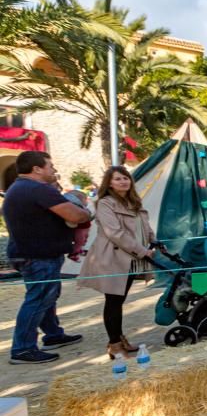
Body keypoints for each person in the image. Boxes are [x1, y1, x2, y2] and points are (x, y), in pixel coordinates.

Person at [3, 151, 89, 364]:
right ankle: (22, 348)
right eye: (50, 166)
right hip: (38, 255)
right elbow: (75, 215)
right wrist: (87, 214)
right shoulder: (37, 189)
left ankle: (53, 334)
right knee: (39, 299)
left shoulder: (19, 188)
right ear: (37, 169)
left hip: (32, 253)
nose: (54, 170)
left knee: (47, 297)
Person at [77, 166, 156, 359]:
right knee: (113, 301)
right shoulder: (105, 203)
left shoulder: (133, 201)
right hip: (113, 258)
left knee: (118, 301)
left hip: (130, 257)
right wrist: (142, 251)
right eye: (118, 179)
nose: (123, 182)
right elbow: (114, 233)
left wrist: (153, 240)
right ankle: (114, 344)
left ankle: (119, 339)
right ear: (109, 183)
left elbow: (142, 225)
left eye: (125, 178)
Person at [62, 189, 92, 262]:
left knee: (84, 240)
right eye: (85, 199)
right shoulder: (76, 209)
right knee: (80, 241)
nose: (86, 201)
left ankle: (79, 249)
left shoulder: (81, 208)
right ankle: (73, 254)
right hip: (80, 229)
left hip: (84, 228)